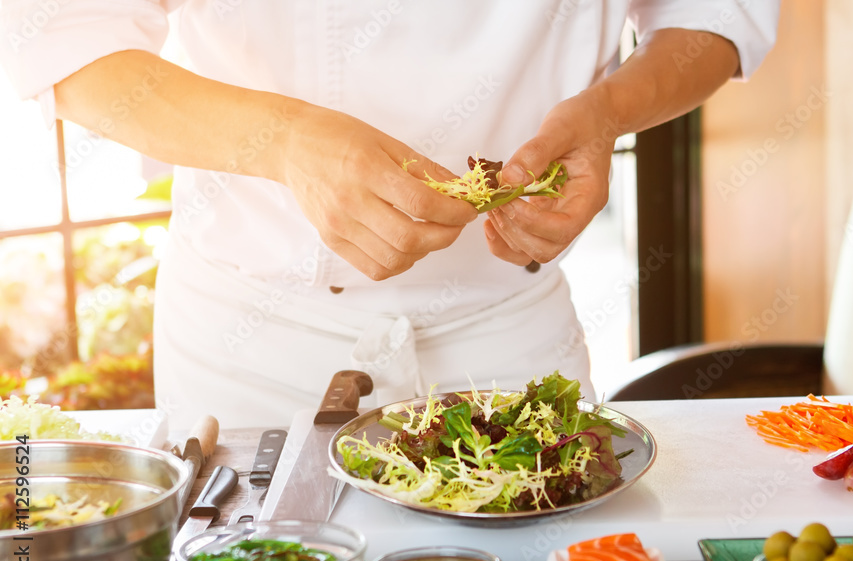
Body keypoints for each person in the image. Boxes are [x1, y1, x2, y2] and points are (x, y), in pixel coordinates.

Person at [1, 1, 779, 429]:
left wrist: (610, 109)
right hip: (253, 349)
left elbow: (715, 15)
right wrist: (286, 142)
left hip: (508, 330)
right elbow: (62, 39)